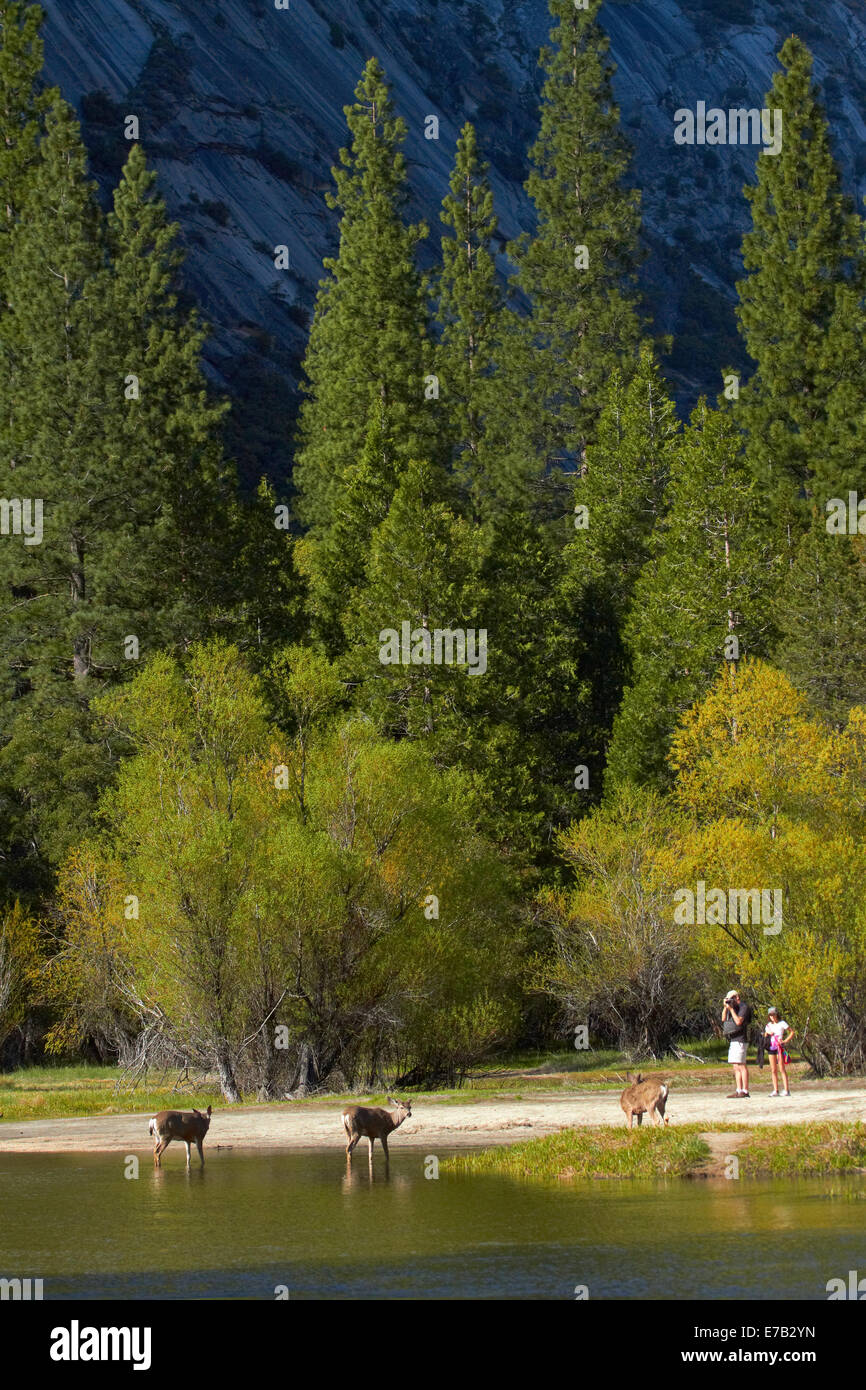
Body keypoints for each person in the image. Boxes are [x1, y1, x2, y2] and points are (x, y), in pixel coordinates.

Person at [722, 989, 752, 1098]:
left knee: (741, 1065)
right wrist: (726, 1008)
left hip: (741, 1039)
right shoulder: (732, 1008)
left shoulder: (743, 1007)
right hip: (733, 1039)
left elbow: (739, 1021)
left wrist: (732, 1009)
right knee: (735, 1066)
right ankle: (738, 1090)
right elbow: (723, 1018)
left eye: (732, 998)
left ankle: (745, 1090)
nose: (731, 1001)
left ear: (737, 997)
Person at [764, 1006, 794, 1096]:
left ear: (776, 1015)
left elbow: (792, 1032)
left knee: (781, 1068)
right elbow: (765, 1035)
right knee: (773, 1069)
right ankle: (775, 1090)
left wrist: (785, 1041)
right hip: (771, 1047)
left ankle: (786, 1090)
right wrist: (768, 1033)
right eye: (770, 1015)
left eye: (773, 1015)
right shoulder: (768, 1025)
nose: (772, 1017)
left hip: (779, 1047)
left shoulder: (782, 1023)